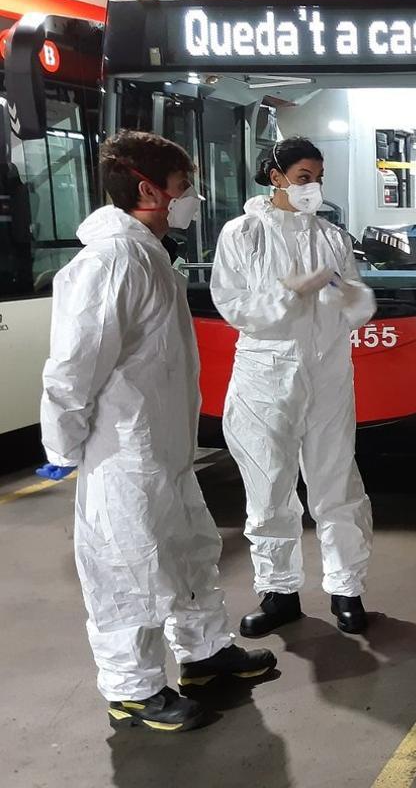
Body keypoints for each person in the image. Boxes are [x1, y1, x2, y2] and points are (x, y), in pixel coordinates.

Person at [41, 130, 276, 733]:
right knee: (128, 569)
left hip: (164, 449)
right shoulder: (111, 262)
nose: (191, 198)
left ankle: (203, 654)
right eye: (183, 188)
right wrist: (63, 446)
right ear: (147, 189)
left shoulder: (149, 252)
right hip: (124, 452)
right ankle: (133, 690)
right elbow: (73, 367)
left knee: (189, 553)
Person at [211, 137, 376, 637]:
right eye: (304, 176)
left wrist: (349, 294)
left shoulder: (332, 238)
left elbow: (359, 308)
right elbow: (234, 306)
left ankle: (347, 589)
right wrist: (288, 293)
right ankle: (279, 592)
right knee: (269, 489)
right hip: (266, 379)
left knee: (336, 484)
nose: (313, 186)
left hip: (327, 376)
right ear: (276, 176)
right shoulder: (243, 235)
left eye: (318, 177)